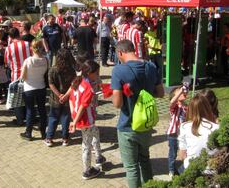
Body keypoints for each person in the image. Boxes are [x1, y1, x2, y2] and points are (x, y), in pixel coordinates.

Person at [111, 40, 164, 188]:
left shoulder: (118, 71)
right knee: (145, 160)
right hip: (146, 124)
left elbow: (117, 104)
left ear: (120, 53)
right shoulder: (151, 66)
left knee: (132, 167)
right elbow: (160, 93)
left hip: (127, 126)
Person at [69, 60, 106, 180]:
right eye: (96, 73)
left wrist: (73, 117)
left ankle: (99, 156)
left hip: (79, 117)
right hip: (86, 120)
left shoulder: (76, 81)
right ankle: (87, 170)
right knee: (86, 145)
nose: (97, 76)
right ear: (90, 73)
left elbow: (70, 100)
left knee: (95, 132)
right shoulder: (88, 88)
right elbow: (83, 106)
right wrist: (75, 122)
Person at [44, 49, 76, 147]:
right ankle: (65, 139)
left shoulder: (53, 69)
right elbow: (73, 84)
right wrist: (65, 95)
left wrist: (59, 95)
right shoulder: (71, 70)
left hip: (55, 99)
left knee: (53, 118)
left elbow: (51, 84)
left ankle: (49, 138)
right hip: (67, 99)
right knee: (65, 118)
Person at [178, 94, 219, 170]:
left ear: (190, 110)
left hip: (191, 169)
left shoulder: (184, 127)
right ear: (208, 108)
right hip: (211, 170)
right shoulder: (217, 127)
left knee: (179, 169)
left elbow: (182, 156)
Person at [19, 40, 48, 141]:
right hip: (41, 86)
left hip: (29, 88)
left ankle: (29, 132)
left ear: (32, 48)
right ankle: (44, 132)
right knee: (42, 110)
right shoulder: (45, 60)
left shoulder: (28, 60)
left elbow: (22, 76)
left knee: (30, 110)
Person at [4, 28, 32, 126]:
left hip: (16, 75)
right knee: (28, 97)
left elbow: (6, 63)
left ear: (10, 37)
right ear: (19, 34)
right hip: (29, 74)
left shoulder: (9, 48)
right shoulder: (28, 44)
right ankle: (29, 117)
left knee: (17, 98)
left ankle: (20, 120)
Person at [167, 85, 188, 178]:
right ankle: (171, 171)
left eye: (182, 91)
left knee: (186, 152)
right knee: (173, 153)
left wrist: (184, 91)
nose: (182, 92)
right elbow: (172, 102)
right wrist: (181, 91)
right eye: (179, 91)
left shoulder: (186, 106)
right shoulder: (175, 107)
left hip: (184, 134)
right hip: (173, 134)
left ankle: (184, 169)